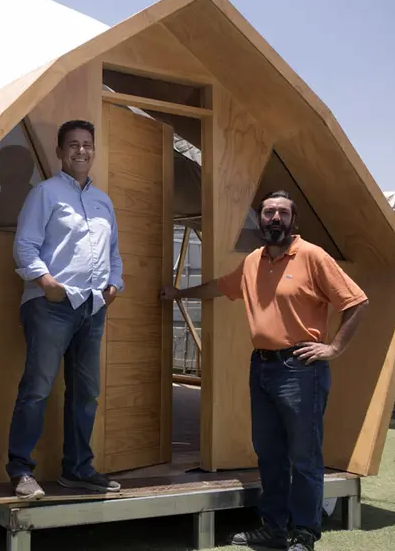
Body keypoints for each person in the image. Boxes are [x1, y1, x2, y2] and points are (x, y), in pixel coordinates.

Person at [160, 190, 369, 551]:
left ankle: (304, 534)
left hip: (302, 370)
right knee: (269, 452)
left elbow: (356, 301)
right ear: (260, 219)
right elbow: (219, 287)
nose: (274, 218)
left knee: (304, 455)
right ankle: (273, 528)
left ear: (293, 221)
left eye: (282, 213)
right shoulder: (254, 260)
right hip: (263, 368)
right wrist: (180, 293)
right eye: (268, 212)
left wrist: (334, 347)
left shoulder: (312, 256)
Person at [6, 119, 124, 500]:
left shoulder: (103, 201)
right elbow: (25, 246)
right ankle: (21, 470)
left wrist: (114, 285)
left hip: (92, 307)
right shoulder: (45, 194)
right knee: (37, 389)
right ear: (59, 152)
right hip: (51, 307)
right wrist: (46, 283)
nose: (81, 151)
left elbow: (114, 254)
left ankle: (77, 469)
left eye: (87, 144)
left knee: (85, 392)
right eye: (72, 145)